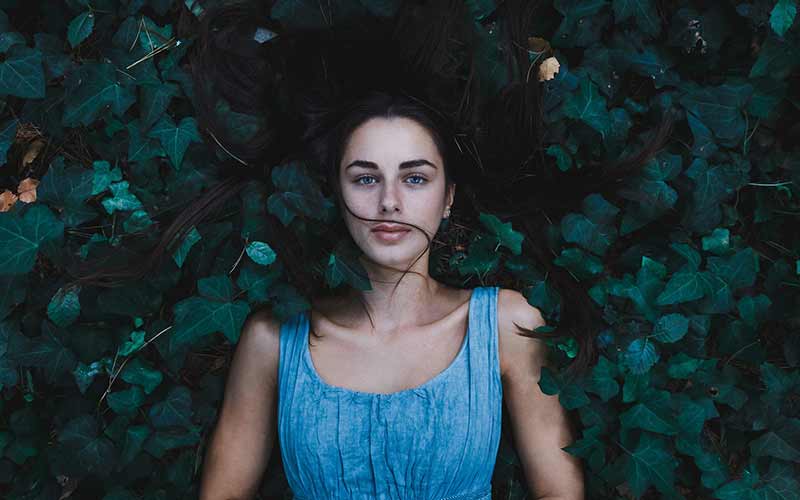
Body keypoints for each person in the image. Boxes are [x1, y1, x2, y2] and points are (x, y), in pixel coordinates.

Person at [196, 91, 585, 499]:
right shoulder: (274, 339)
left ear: (448, 197)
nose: (389, 202)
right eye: (365, 178)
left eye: (415, 178)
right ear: (337, 194)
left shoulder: (504, 326)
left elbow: (560, 493)